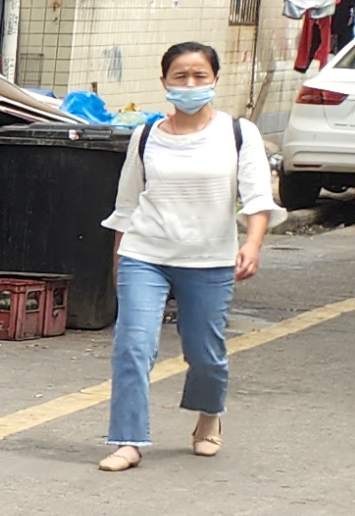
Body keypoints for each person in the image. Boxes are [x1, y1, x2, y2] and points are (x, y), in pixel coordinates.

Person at [97, 40, 278, 471]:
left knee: (204, 353)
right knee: (133, 346)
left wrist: (251, 244)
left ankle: (208, 415)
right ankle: (128, 440)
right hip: (147, 254)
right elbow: (127, 205)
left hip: (210, 259)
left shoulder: (238, 133)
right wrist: (118, 262)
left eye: (200, 76)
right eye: (180, 76)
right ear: (164, 82)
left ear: (215, 80)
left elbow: (257, 198)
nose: (190, 84)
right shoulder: (145, 136)